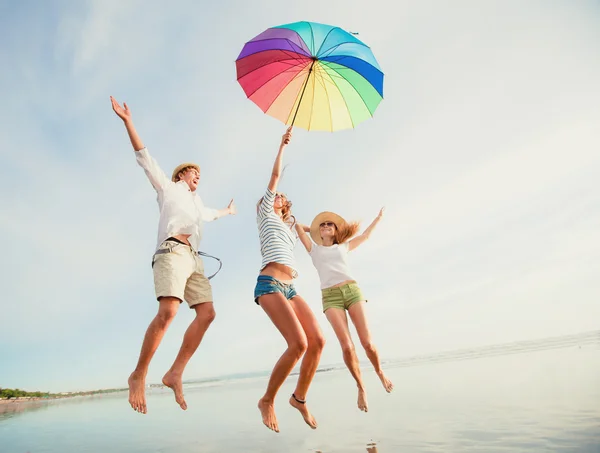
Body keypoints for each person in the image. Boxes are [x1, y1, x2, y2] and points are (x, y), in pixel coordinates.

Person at [110, 96, 236, 414]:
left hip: (194, 259)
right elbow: (144, 157)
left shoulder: (196, 203)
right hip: (171, 252)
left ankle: (175, 372)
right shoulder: (168, 188)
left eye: (199, 176)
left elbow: (211, 213)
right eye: (193, 173)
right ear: (181, 175)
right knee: (169, 312)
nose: (197, 177)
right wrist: (128, 121)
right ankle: (138, 374)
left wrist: (228, 210)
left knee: (207, 313)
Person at [254, 127, 326, 433]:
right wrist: (281, 146)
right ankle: (267, 400)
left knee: (317, 341)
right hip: (269, 284)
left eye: (282, 197)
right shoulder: (265, 214)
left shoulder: (288, 224)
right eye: (275, 196)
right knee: (297, 343)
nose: (279, 196)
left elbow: (316, 232)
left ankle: (299, 398)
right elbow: (274, 178)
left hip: (291, 287)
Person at [295, 208, 393, 413]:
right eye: (322, 225)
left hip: (352, 291)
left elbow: (365, 236)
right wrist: (310, 227)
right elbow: (296, 227)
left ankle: (380, 372)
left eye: (329, 224)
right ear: (318, 232)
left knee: (368, 344)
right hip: (330, 298)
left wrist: (378, 218)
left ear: (336, 230)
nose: (325, 226)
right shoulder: (313, 249)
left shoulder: (344, 246)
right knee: (347, 347)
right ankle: (361, 386)